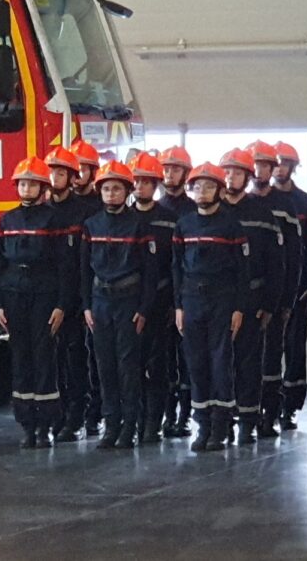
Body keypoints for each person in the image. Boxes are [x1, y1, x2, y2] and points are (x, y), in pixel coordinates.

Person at [0, 157, 74, 449]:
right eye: (23, 183)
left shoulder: (53, 220)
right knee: (21, 360)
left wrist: (61, 305)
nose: (27, 188)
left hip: (44, 295)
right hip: (14, 295)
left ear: (43, 187)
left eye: (32, 184)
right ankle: (26, 424)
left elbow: (65, 268)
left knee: (44, 359)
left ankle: (46, 425)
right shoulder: (7, 220)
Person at [172, 162, 251, 452]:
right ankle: (202, 426)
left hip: (222, 299)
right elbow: (176, 267)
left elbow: (243, 271)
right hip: (191, 299)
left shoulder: (231, 224)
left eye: (208, 186)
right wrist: (178, 305)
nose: (201, 191)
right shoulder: (184, 224)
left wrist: (238, 308)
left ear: (219, 189)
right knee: (196, 363)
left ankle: (221, 426)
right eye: (196, 186)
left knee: (221, 363)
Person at [80, 161, 158, 449]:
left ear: (127, 191)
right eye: (106, 188)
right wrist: (86, 306)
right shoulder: (91, 225)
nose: (111, 193)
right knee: (104, 366)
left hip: (129, 301)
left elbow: (151, 273)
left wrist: (143, 309)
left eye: (117, 188)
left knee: (128, 366)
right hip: (100, 302)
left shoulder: (139, 225)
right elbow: (83, 270)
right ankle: (110, 425)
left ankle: (129, 426)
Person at [220, 148, 284, 445]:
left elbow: (276, 264)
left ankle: (248, 420)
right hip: (217, 301)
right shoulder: (210, 212)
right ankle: (221, 422)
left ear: (247, 177)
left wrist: (270, 304)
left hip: (253, 301)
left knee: (249, 364)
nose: (231, 176)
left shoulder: (261, 214)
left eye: (237, 172)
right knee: (219, 364)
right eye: (227, 171)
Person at [246, 140, 302, 438]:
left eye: (265, 165)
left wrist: (287, 300)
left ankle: (271, 414)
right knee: (245, 359)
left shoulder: (285, 207)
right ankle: (246, 413)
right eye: (254, 165)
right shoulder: (240, 206)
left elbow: (293, 258)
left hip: (276, 298)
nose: (259, 170)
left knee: (272, 358)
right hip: (244, 300)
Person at [128, 152, 179, 443]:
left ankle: (154, 422)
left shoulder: (169, 220)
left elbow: (176, 264)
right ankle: (133, 420)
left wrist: (173, 301)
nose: (140, 187)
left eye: (146, 182)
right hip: (128, 303)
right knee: (129, 366)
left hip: (160, 303)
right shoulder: (124, 218)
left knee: (158, 365)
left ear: (156, 185)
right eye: (136, 181)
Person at [44, 146, 92, 442]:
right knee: (53, 359)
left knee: (77, 357)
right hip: (48, 296)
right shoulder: (41, 212)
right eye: (51, 171)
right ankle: (56, 415)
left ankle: (77, 417)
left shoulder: (85, 212)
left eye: (61, 173)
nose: (54, 177)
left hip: (76, 297)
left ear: (72, 177)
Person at [272, 141, 307, 430]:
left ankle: (290, 406)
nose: (279, 169)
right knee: (267, 351)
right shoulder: (258, 202)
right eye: (274, 164)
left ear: (292, 167)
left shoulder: (306, 203)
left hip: (299, 290)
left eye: (284, 163)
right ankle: (268, 403)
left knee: (294, 348)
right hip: (268, 292)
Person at [158, 145, 197, 438]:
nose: (169, 173)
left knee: (187, 359)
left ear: (185, 174)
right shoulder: (149, 210)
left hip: (185, 298)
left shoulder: (194, 211)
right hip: (155, 297)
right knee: (162, 360)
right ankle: (165, 414)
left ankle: (184, 415)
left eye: (175, 169)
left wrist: (181, 301)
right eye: (166, 168)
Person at [70, 139, 106, 436]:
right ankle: (74, 413)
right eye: (75, 167)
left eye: (84, 168)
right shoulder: (60, 206)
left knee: (97, 357)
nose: (78, 173)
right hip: (69, 291)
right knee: (73, 357)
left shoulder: (101, 206)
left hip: (98, 293)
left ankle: (96, 413)